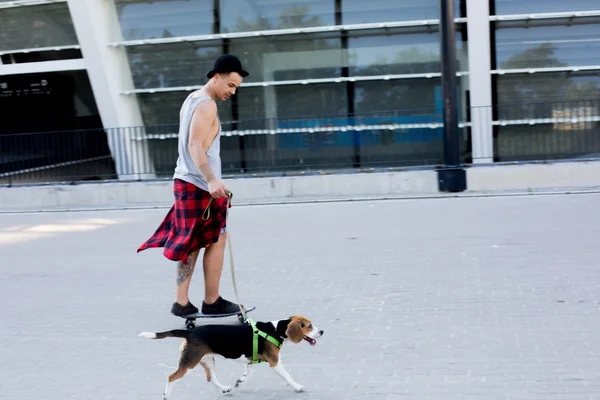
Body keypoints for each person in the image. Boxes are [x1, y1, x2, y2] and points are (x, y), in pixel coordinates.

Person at [137, 54, 249, 317]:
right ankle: (208, 301)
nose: (233, 92)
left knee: (199, 240)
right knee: (208, 239)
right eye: (231, 85)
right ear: (216, 76)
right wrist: (211, 179)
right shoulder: (207, 104)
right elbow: (194, 145)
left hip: (189, 182)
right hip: (198, 184)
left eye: (236, 88)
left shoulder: (192, 98)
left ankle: (187, 302)